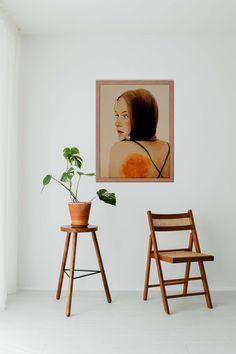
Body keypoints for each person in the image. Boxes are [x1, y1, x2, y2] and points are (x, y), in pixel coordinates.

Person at [109, 88, 170, 178]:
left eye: (125, 115)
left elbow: (113, 189)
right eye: (117, 115)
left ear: (141, 117)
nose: (116, 123)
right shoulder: (168, 148)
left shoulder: (118, 149)